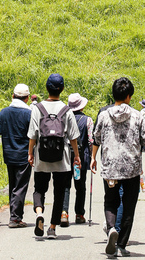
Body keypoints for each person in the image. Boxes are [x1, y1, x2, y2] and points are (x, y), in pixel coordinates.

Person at [92, 76, 145, 258]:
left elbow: (97, 137)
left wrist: (94, 157)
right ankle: (121, 245)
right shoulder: (137, 115)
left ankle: (111, 229)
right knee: (128, 205)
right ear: (128, 96)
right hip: (131, 168)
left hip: (110, 167)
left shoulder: (103, 115)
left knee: (111, 201)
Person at [28, 73, 81, 239]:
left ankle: (39, 213)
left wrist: (30, 153)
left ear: (46, 88)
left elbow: (33, 136)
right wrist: (76, 157)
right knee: (60, 192)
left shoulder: (37, 109)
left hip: (41, 156)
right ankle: (52, 228)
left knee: (39, 189)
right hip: (62, 158)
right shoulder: (67, 110)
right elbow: (73, 138)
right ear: (62, 89)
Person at [0, 83, 33, 227]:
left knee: (13, 185)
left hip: (9, 154)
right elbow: (33, 136)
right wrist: (32, 153)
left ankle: (14, 216)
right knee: (20, 186)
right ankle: (15, 218)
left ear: (13, 96)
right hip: (24, 155)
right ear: (27, 98)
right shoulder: (29, 113)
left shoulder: (4, 112)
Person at [61, 92, 93, 226]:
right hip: (81, 157)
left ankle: (64, 212)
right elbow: (91, 141)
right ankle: (79, 214)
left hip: (66, 156)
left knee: (65, 185)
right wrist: (92, 157)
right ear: (82, 106)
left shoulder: (63, 119)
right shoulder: (88, 120)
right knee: (80, 186)